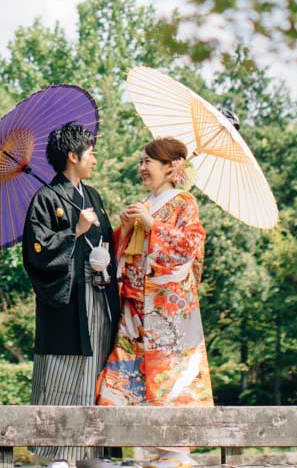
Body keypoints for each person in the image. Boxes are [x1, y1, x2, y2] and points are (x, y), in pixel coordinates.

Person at [96, 136, 214, 468]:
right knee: (119, 379)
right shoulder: (149, 201)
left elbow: (191, 246)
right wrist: (125, 229)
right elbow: (126, 254)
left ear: (171, 166)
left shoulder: (184, 202)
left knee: (171, 378)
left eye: (149, 161)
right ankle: (108, 450)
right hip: (135, 310)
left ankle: (175, 454)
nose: (142, 168)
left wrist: (153, 226)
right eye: (142, 161)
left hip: (167, 313)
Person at [21, 122, 121, 468]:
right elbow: (36, 253)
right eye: (90, 152)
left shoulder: (93, 196)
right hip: (65, 301)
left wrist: (105, 260)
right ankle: (59, 452)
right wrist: (74, 231)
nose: (94, 158)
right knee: (63, 373)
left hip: (98, 292)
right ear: (72, 155)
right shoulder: (46, 199)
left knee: (97, 369)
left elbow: (106, 240)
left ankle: (93, 451)